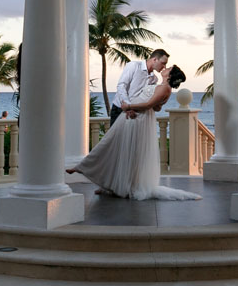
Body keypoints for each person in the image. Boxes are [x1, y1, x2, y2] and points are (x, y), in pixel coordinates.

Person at [67, 65, 200, 201]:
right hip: (132, 116)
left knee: (126, 150)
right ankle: (95, 174)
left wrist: (129, 106)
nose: (165, 68)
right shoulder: (161, 86)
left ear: (170, 75)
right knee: (113, 144)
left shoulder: (165, 88)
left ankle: (88, 169)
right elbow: (157, 107)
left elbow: (149, 105)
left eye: (168, 68)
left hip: (138, 120)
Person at [110, 49, 169, 124]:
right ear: (154, 59)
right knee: (116, 135)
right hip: (119, 108)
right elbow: (121, 85)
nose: (164, 67)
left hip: (136, 113)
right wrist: (128, 106)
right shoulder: (134, 66)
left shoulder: (154, 79)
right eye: (163, 63)